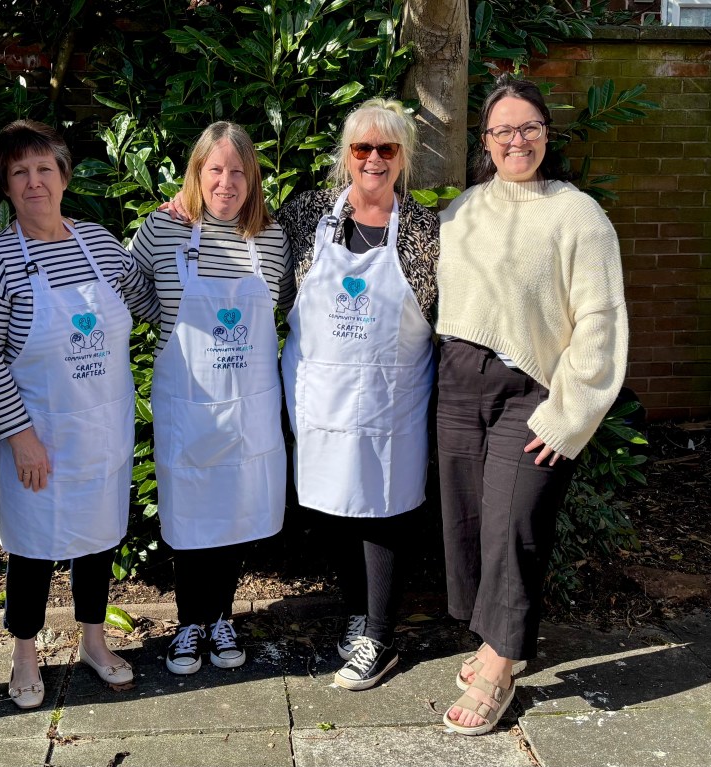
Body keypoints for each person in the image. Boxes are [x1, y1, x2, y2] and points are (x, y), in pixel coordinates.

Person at [436, 74, 628, 735]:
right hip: (459, 382)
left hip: (531, 390)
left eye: (530, 128)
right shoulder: (460, 211)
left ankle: (500, 659)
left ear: (548, 133)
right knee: (471, 519)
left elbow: (599, 323)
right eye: (503, 130)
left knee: (516, 522)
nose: (517, 140)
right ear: (484, 141)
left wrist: (570, 413)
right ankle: (492, 635)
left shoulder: (577, 214)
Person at [0, 120, 160, 708]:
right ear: (5, 186)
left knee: (97, 540)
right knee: (32, 548)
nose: (34, 183)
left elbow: (149, 301)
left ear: (63, 177)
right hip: (38, 434)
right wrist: (20, 436)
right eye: (19, 173)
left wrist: (173, 231)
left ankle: (94, 643)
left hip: (101, 431)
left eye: (44, 170)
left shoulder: (101, 244)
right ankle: (24, 652)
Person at [275, 98, 439, 691]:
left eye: (387, 149)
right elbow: (240, 239)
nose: (373, 159)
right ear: (346, 155)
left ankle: (381, 636)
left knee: (383, 510)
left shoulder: (422, 231)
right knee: (334, 506)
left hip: (390, 400)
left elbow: (446, 315)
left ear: (403, 158)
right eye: (362, 148)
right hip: (321, 397)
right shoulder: (306, 216)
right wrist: (183, 210)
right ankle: (356, 614)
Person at [130, 121, 293, 675]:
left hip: (248, 405)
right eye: (214, 169)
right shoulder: (164, 230)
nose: (226, 182)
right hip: (188, 404)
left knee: (236, 511)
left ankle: (222, 615)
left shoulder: (270, 239)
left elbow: (285, 303)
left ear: (253, 180)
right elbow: (130, 290)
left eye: (238, 172)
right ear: (197, 173)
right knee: (190, 511)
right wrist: (170, 320)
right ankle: (189, 622)